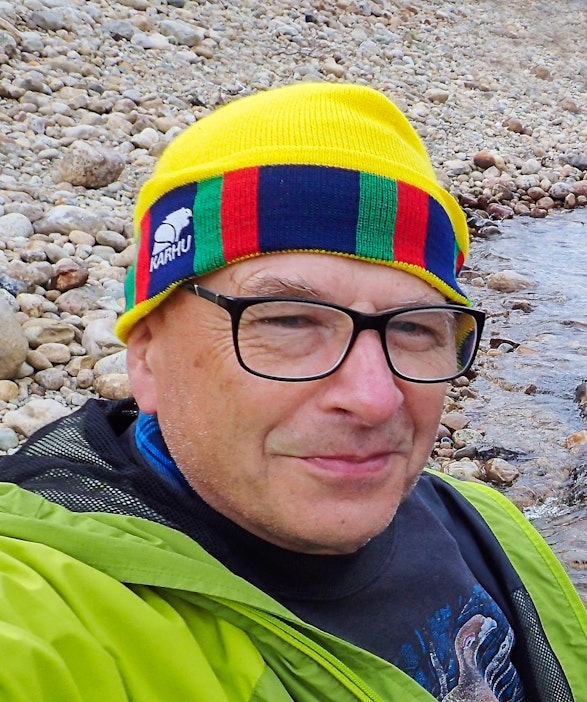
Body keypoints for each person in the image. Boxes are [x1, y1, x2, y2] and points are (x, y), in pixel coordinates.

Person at [0, 82, 584, 702]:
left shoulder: (490, 529)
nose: (375, 399)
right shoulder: (46, 610)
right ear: (147, 355)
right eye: (288, 321)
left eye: (414, 328)